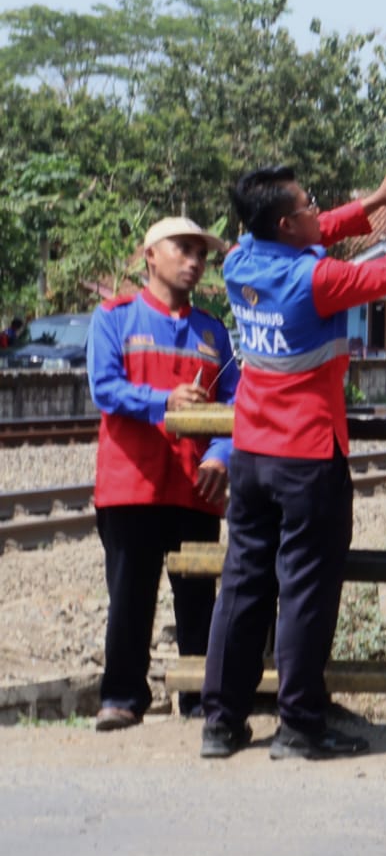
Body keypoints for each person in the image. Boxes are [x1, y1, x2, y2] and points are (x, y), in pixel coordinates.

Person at [200, 160, 386, 760]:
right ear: (284, 221)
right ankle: (299, 725)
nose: (316, 211)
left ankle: (220, 723)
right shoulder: (316, 281)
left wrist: (367, 204)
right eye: (307, 205)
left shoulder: (240, 262)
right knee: (304, 590)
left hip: (251, 453)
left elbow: (310, 229)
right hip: (307, 456)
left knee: (242, 585)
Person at [87, 217, 237, 731]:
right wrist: (166, 402)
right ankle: (123, 698)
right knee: (130, 596)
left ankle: (199, 698)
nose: (194, 260)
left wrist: (221, 453)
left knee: (199, 599)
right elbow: (105, 389)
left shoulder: (214, 331)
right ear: (150, 255)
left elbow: (239, 403)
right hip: (130, 485)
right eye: (183, 249)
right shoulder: (113, 318)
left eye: (201, 252)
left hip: (197, 486)